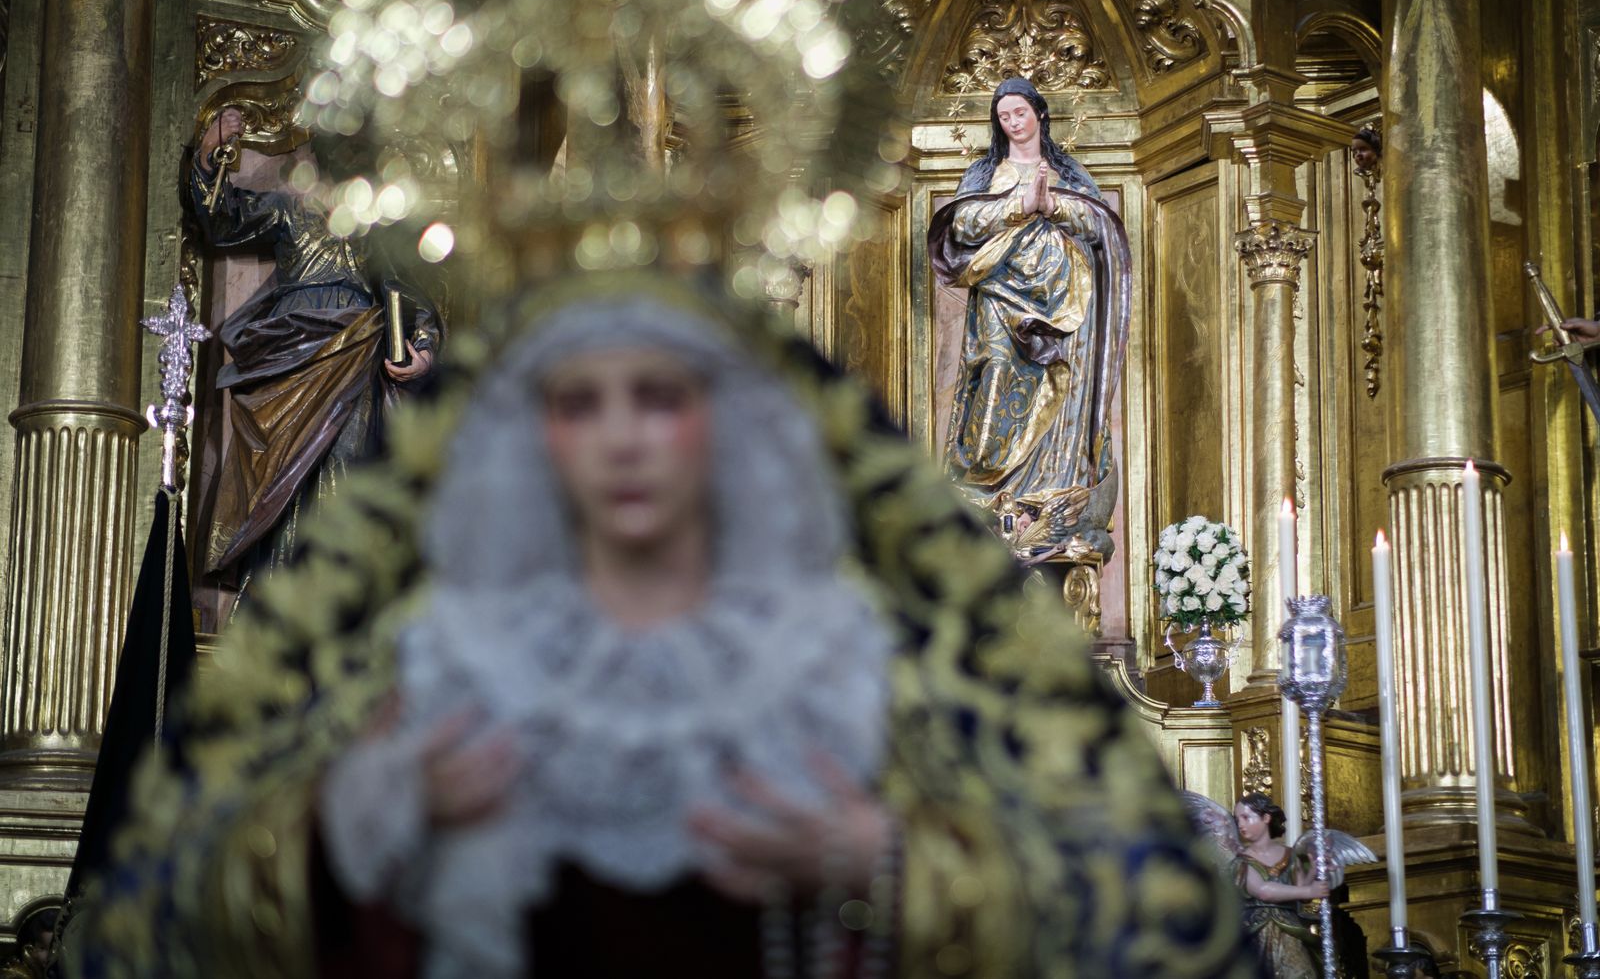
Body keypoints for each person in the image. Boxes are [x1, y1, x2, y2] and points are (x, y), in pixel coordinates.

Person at [77, 272, 1259, 979]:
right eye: (581, 402)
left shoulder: (846, 654)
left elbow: (1107, 909)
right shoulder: (440, 649)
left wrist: (888, 862)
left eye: (659, 397)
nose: (624, 437)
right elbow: (203, 915)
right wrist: (372, 819)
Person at [191, 107, 441, 609]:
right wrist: (207, 153)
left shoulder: (377, 228)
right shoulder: (290, 209)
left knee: (346, 465)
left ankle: (337, 601)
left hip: (353, 350)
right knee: (278, 476)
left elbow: (408, 292)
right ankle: (275, 600)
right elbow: (223, 219)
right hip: (291, 353)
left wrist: (424, 350)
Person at [927, 77, 1131, 555]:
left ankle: (1051, 492)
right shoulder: (985, 172)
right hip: (1000, 297)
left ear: (1039, 113)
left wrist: (1053, 204)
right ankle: (989, 496)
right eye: (1004, 117)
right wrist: (1018, 206)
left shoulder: (1068, 172)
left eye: (1019, 112)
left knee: (1062, 392)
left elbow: (1099, 225)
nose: (1013, 123)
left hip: (1065, 303)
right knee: (995, 375)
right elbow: (962, 223)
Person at [1232, 794, 1329, 979]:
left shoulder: (1293, 855)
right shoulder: (1241, 862)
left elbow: (1303, 896)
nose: (1241, 824)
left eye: (1246, 817)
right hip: (1255, 931)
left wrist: (1313, 869)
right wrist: (1308, 890)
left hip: (1290, 931)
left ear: (1266, 818)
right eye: (1237, 820)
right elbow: (1263, 891)